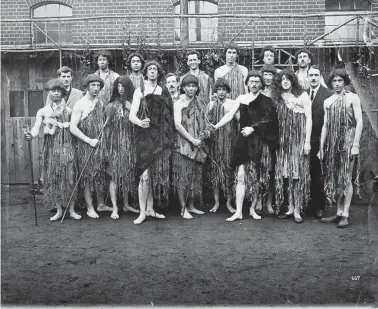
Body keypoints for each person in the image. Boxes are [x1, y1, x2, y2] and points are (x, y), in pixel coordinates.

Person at [213, 71, 279, 221]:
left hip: (259, 141)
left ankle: (252, 209)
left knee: (255, 177)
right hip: (243, 141)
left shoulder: (267, 100)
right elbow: (230, 115)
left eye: (257, 81)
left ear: (261, 84)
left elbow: (270, 120)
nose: (254, 84)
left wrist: (253, 128)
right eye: (252, 81)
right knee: (241, 176)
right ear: (247, 83)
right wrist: (215, 127)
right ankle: (238, 211)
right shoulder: (241, 98)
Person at [24, 79, 81, 221]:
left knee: (70, 178)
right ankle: (59, 210)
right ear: (49, 92)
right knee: (54, 178)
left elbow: (75, 127)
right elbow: (37, 127)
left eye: (58, 90)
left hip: (67, 147)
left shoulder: (69, 110)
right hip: (51, 149)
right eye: (53, 90)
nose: (55, 93)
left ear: (62, 93)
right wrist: (31, 134)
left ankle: (72, 209)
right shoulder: (43, 111)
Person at [129, 60, 174, 224]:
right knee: (144, 175)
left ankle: (150, 208)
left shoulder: (164, 91)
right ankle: (142, 212)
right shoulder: (139, 91)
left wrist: (167, 137)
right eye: (150, 69)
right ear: (146, 72)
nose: (153, 72)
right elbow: (131, 115)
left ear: (158, 72)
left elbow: (169, 116)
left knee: (154, 175)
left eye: (155, 69)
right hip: (144, 137)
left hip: (159, 137)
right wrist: (140, 122)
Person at [320, 68, 363, 228]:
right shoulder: (328, 101)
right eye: (334, 81)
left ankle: (345, 214)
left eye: (340, 80)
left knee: (346, 177)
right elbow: (325, 126)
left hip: (348, 139)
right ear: (331, 83)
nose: (337, 84)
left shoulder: (353, 98)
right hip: (332, 141)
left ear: (345, 81)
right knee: (335, 176)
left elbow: (359, 122)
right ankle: (338, 212)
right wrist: (322, 147)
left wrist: (355, 144)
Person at [273, 69, 312, 223]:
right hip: (283, 143)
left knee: (296, 176)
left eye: (288, 78)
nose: (285, 81)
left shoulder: (302, 96)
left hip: (298, 141)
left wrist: (307, 141)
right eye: (282, 79)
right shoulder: (277, 97)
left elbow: (309, 119)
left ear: (293, 80)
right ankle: (290, 206)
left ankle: (297, 209)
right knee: (287, 175)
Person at [173, 75, 213, 219]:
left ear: (197, 88)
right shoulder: (178, 103)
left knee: (195, 176)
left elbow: (207, 122)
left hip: (198, 144)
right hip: (183, 145)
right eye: (188, 86)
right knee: (183, 177)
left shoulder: (201, 103)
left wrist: (206, 132)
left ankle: (191, 206)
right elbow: (177, 125)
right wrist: (191, 139)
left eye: (193, 86)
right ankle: (183, 208)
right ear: (183, 87)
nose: (191, 88)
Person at [70, 74, 110, 219]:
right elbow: (73, 128)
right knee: (87, 178)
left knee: (99, 175)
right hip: (85, 146)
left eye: (98, 85)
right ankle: (90, 208)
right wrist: (88, 140)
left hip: (99, 145)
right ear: (86, 86)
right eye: (92, 85)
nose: (96, 88)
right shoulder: (79, 105)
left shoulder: (100, 103)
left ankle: (100, 204)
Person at [104, 76, 140, 219]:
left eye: (123, 86)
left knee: (127, 176)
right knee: (114, 177)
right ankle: (114, 208)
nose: (120, 89)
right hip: (115, 146)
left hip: (130, 146)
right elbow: (106, 128)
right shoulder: (111, 106)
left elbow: (140, 123)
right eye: (118, 86)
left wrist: (132, 109)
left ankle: (126, 204)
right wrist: (107, 147)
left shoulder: (134, 104)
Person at [207, 78, 238, 213]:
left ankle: (229, 202)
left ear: (227, 91)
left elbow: (239, 120)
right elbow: (207, 122)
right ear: (215, 91)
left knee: (228, 172)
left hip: (229, 142)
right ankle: (216, 202)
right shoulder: (211, 105)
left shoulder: (232, 104)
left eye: (223, 90)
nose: (221, 92)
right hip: (215, 143)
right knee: (215, 172)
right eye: (219, 89)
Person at [306, 65, 333, 218]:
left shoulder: (328, 94)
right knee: (306, 172)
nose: (314, 78)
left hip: (320, 140)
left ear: (320, 77)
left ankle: (319, 207)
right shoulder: (303, 93)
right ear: (307, 77)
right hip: (305, 140)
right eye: (311, 75)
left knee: (319, 174)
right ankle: (307, 204)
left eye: (316, 75)